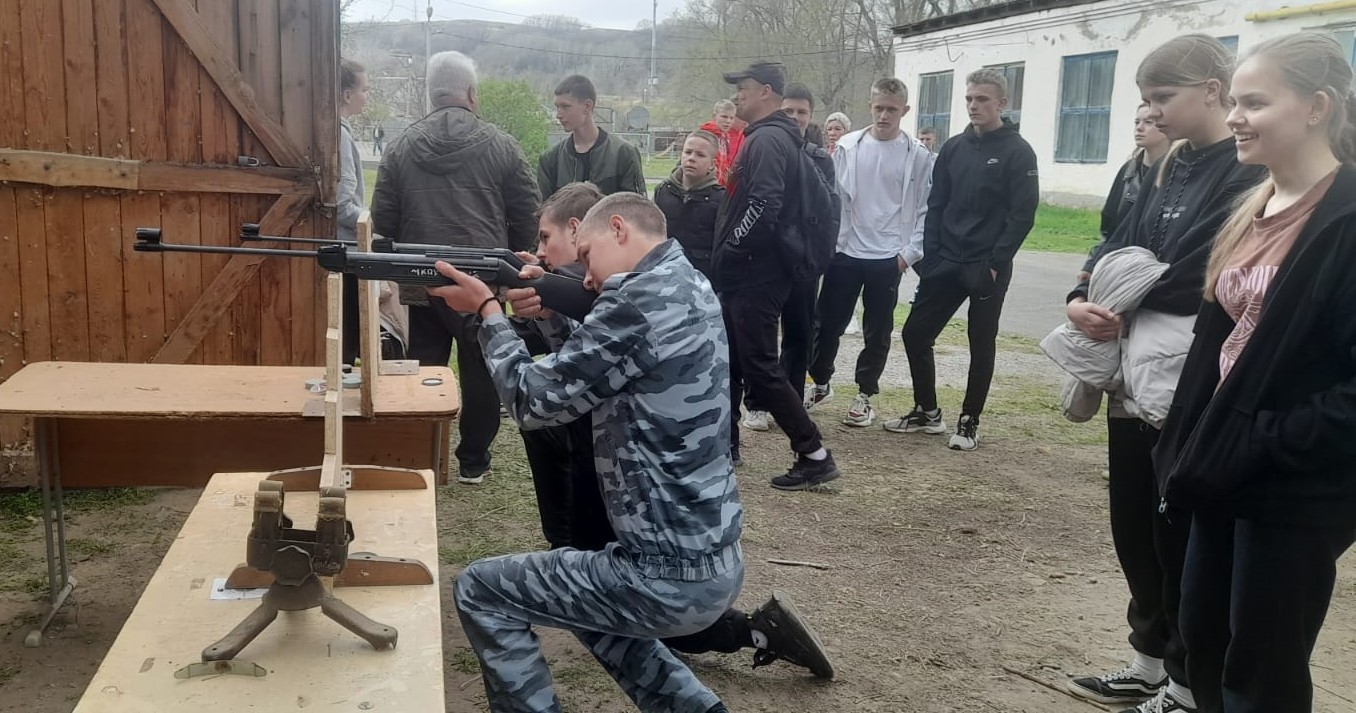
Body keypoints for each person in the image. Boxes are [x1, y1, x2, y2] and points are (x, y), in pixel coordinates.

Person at [431, 193, 802, 711]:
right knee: (586, 609)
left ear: (620, 229)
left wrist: (488, 313)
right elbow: (612, 361)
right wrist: (547, 317)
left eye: (584, 256)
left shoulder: (634, 303)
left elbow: (533, 401)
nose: (583, 277)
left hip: (664, 575)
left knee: (479, 589)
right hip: (712, 559)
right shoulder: (685, 281)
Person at [1153, 32, 1356, 713]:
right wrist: (1184, 446)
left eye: (1255, 102)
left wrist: (1259, 438)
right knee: (1204, 647)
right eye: (1234, 100)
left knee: (1261, 673)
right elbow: (1216, 352)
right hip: (1222, 474)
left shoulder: (1346, 221)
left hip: (1294, 488)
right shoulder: (1255, 205)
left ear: (1317, 106)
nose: (1235, 116)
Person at [1063, 35, 1266, 713]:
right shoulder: (1166, 164)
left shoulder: (1244, 171)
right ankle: (1147, 661)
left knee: (1177, 529)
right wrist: (1081, 293)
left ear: (1213, 89)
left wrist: (1126, 286)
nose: (1152, 111)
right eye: (1145, 100)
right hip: (1133, 371)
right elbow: (1118, 242)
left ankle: (1185, 682)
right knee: (1134, 525)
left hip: (1188, 378)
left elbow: (1191, 276)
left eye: (1162, 97)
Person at [371, 50, 540, 485]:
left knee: (424, 367)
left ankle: (421, 454)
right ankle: (473, 460)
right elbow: (527, 215)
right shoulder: (502, 145)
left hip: (419, 284)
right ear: (471, 94)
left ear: (431, 95)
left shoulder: (400, 147)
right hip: (478, 285)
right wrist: (517, 268)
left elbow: (383, 223)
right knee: (481, 370)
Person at [890, 68, 1039, 451]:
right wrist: (933, 253)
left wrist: (995, 262)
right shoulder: (954, 147)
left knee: (980, 342)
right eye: (970, 99)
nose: (974, 105)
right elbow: (937, 202)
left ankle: (969, 421)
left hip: (985, 264)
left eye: (983, 99)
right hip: (945, 260)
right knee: (915, 334)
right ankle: (927, 411)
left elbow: (1022, 215)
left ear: (1002, 103)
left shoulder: (1018, 152)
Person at [714, 61, 840, 491]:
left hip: (757, 272)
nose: (737, 97)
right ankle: (724, 447)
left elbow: (764, 207)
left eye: (743, 89)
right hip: (754, 271)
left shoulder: (768, 140)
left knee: (762, 367)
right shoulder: (769, 137)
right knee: (739, 362)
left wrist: (733, 249)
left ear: (766, 92)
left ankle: (813, 453)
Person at [804, 78, 934, 428]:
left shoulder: (918, 157)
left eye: (892, 109)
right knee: (827, 324)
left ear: (904, 111)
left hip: (888, 257)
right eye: (878, 107)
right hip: (846, 252)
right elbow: (834, 199)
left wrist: (908, 254)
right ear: (870, 106)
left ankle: (864, 395)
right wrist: (832, 244)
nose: (884, 115)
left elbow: (925, 208)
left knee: (876, 330)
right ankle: (820, 382)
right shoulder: (848, 146)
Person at [738, 81, 824, 433]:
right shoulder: (766, 147)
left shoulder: (820, 159)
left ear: (810, 116)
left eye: (802, 112)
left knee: (799, 334)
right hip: (766, 260)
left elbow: (827, 212)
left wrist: (817, 258)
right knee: (761, 336)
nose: (795, 117)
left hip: (802, 263)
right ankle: (757, 403)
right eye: (788, 111)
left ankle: (791, 400)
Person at [338, 59, 408, 365]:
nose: (367, 96)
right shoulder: (338, 135)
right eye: (364, 89)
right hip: (346, 251)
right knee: (347, 345)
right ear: (345, 94)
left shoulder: (339, 129)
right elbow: (342, 206)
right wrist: (373, 225)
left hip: (345, 249)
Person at [1077, 103, 1172, 283]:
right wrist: (1092, 262)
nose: (1139, 128)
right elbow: (1110, 228)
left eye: (1148, 122)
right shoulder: (1128, 171)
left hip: (1155, 269)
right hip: (1117, 266)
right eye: (1137, 122)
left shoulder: (1177, 173)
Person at [538, 74, 646, 198]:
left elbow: (637, 210)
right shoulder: (551, 159)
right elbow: (545, 212)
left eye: (565, 107)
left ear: (587, 106)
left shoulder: (623, 153)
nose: (558, 115)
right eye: (557, 107)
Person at [654, 131, 725, 283]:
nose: (691, 158)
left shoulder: (720, 199)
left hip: (701, 279)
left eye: (700, 155)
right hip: (664, 275)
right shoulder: (663, 191)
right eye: (688, 152)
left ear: (712, 163)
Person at [700, 99, 741, 187]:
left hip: (719, 188)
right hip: (705, 187)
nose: (728, 121)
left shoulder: (726, 139)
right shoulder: (705, 136)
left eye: (731, 118)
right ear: (714, 116)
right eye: (724, 117)